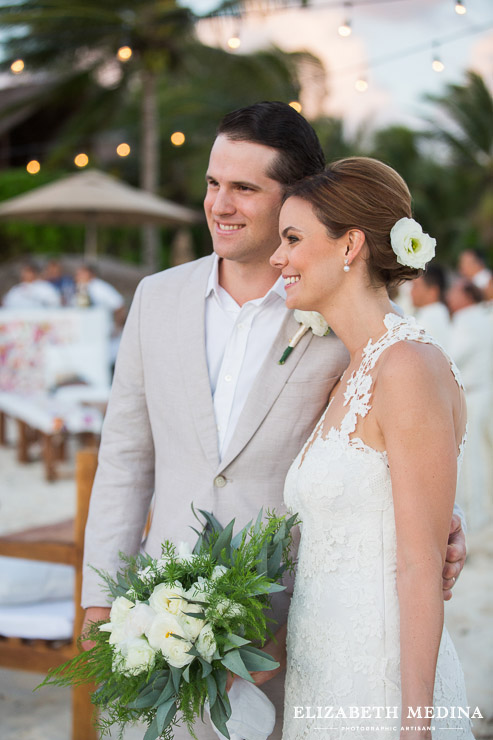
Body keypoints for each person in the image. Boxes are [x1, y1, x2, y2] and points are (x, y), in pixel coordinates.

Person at [81, 105, 466, 740]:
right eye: (212, 183)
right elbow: (125, 458)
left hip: (287, 626)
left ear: (297, 199)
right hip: (156, 616)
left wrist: (446, 531)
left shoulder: (341, 321)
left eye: (244, 188)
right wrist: (103, 600)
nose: (220, 204)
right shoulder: (157, 298)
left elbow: (405, 447)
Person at [270, 158, 474, 739]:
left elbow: (417, 564)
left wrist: (416, 726)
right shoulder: (348, 369)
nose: (277, 257)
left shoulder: (408, 365)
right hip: (321, 676)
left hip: (381, 686)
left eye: (292, 238)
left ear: (350, 245)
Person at [447, 278, 492, 531]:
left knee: (473, 462)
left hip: (474, 396)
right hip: (484, 393)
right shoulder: (483, 318)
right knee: (484, 458)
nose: (451, 297)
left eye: (455, 291)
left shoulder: (467, 320)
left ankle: (476, 520)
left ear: (467, 296)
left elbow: (453, 355)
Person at [410, 263, 450, 349]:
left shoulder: (425, 324)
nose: (411, 291)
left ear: (433, 291)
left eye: (415, 286)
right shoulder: (441, 313)